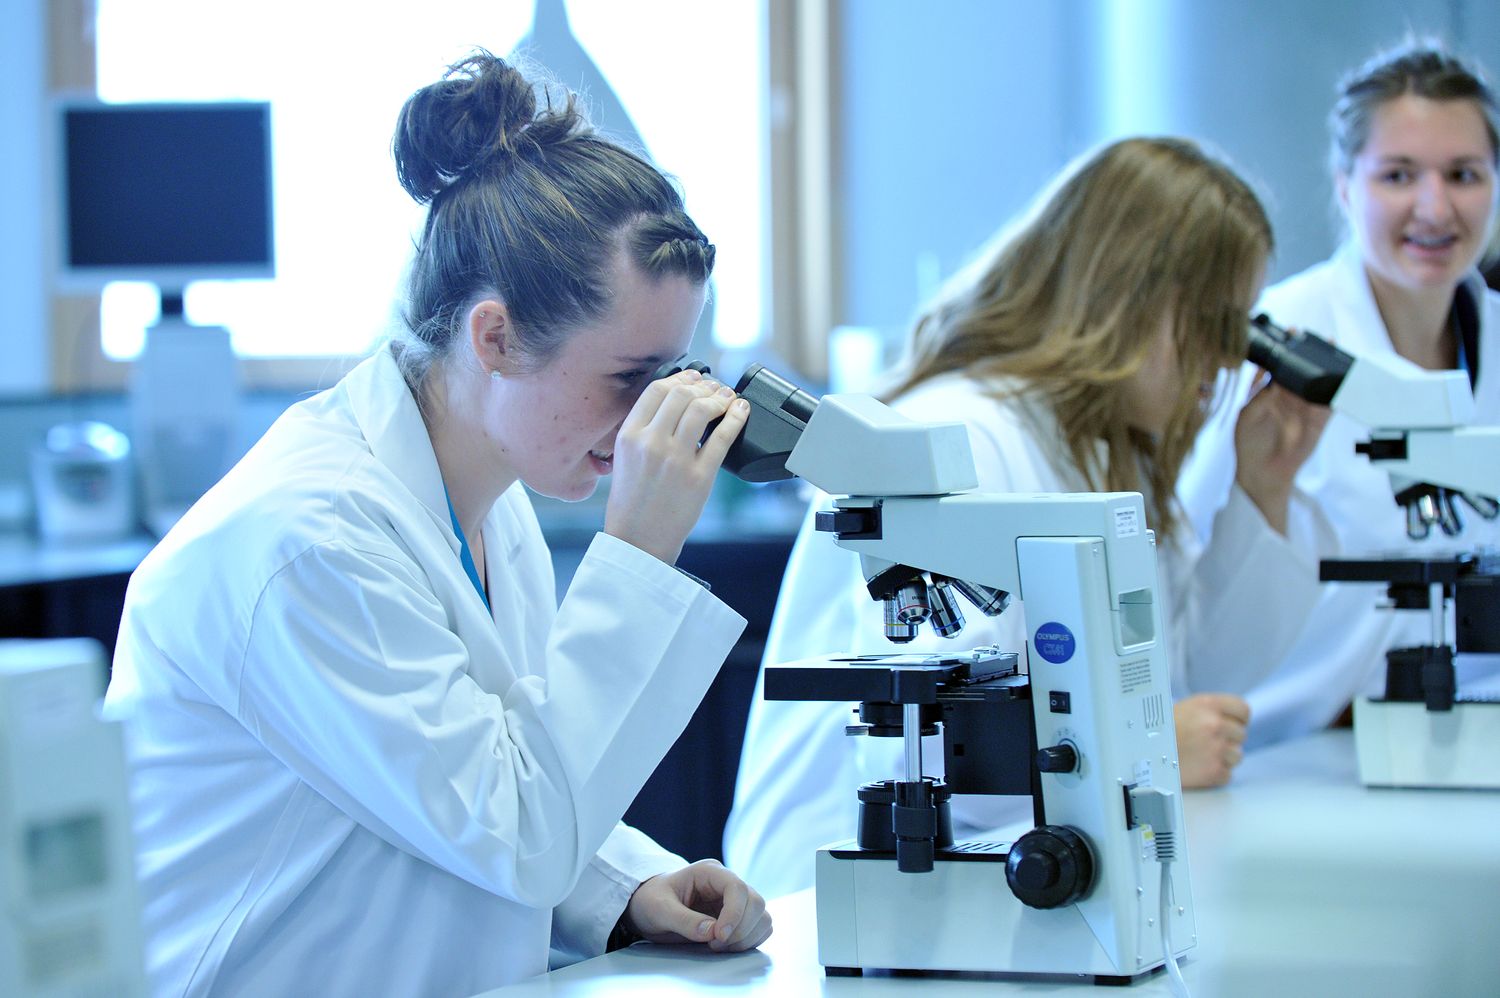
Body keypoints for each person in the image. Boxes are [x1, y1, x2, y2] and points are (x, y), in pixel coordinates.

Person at [102, 52, 772, 996]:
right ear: (494, 336)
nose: (652, 418)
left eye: (672, 374)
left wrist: (629, 887)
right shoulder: (310, 543)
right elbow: (512, 830)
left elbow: (471, 772)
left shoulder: (491, 511)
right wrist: (639, 554)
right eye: (632, 378)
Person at [724, 137, 1333, 899]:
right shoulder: (960, 436)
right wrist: (1137, 753)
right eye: (1215, 322)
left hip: (998, 875)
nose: (1227, 358)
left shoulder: (1108, 448)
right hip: (832, 895)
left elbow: (1198, 681)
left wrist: (1265, 485)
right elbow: (926, 754)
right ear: (1129, 296)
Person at [1180, 41, 1500, 747]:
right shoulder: (1281, 347)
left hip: (1471, 732)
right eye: (1398, 174)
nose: (1434, 206)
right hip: (1285, 745)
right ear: (1345, 184)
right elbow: (1194, 583)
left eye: (1464, 174)